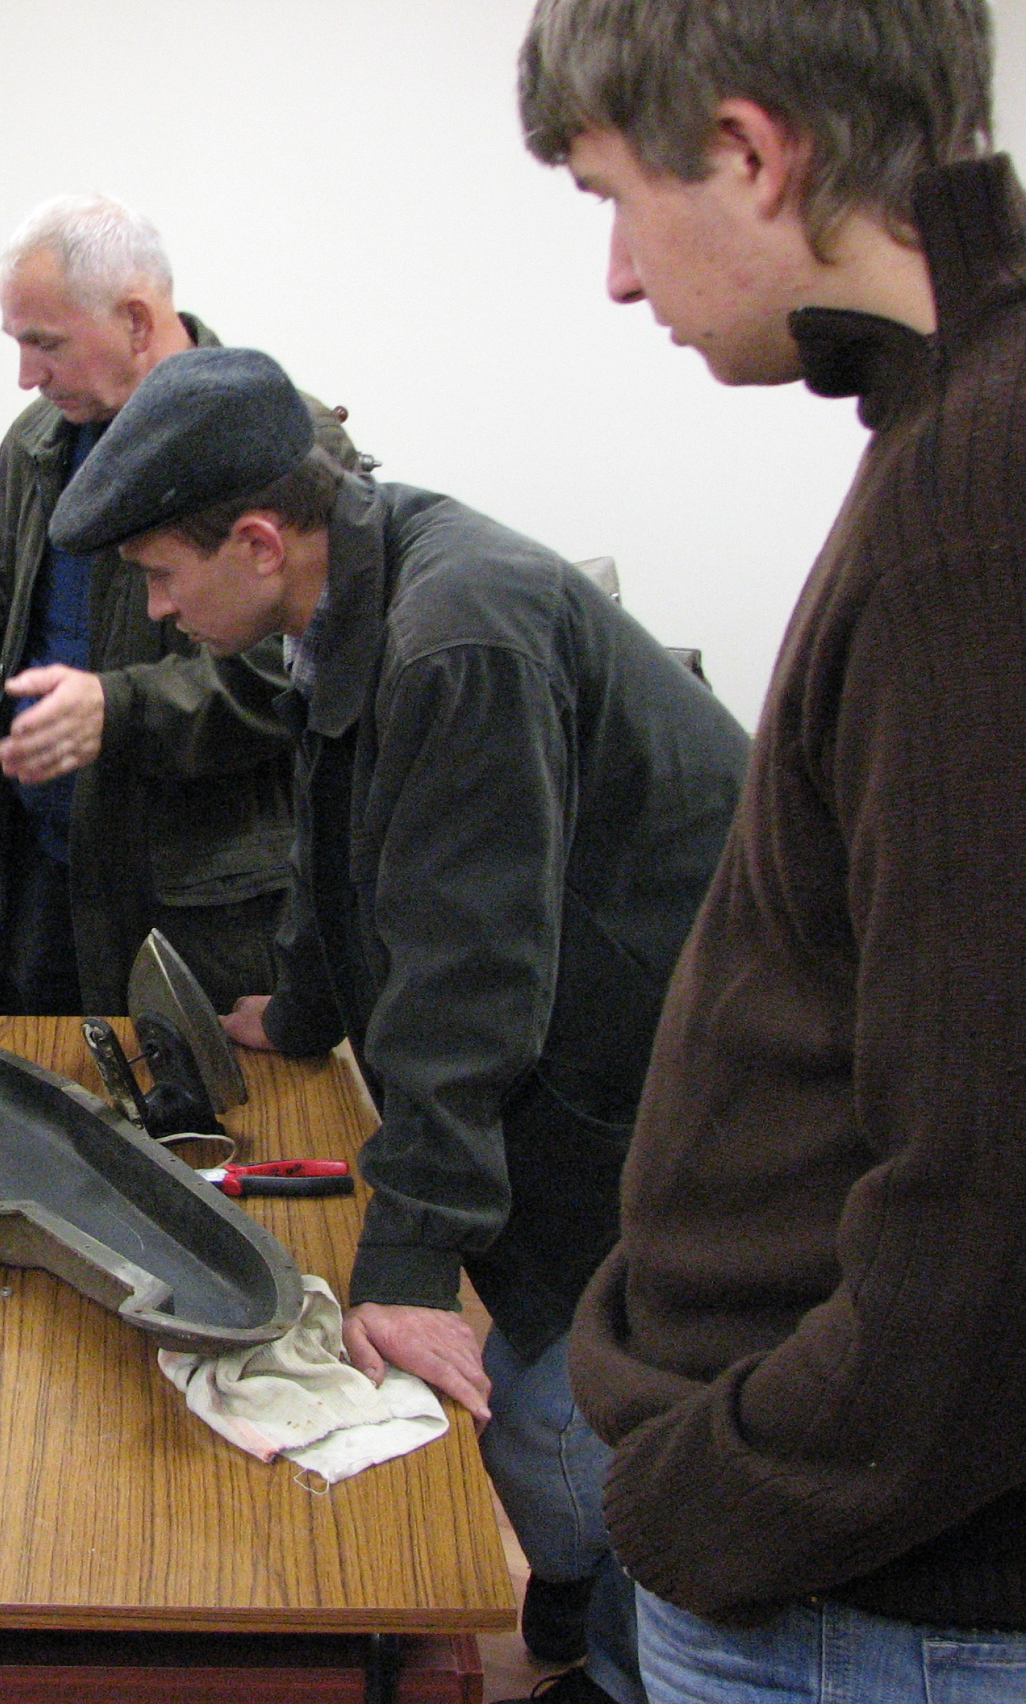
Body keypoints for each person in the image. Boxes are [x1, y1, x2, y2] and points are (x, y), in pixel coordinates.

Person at [53, 346, 750, 1704]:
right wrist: (307, 1005)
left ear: (257, 541)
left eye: (160, 576)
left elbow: (468, 970)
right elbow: (346, 836)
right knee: (553, 1409)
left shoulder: (457, 632)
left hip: (665, 1069)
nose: (158, 610)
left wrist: (411, 1265)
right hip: (582, 1031)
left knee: (573, 1423)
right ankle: (581, 1602)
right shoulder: (353, 585)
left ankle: (619, 1664)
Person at [522, 2, 1026, 1697]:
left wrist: (709, 1497)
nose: (614, 275)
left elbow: (989, 1192)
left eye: (612, 196)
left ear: (748, 152)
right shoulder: (949, 425)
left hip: (866, 1598)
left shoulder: (976, 505)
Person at [0, 193, 362, 1015]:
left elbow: (300, 669)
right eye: (18, 342)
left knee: (189, 1093)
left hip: (196, 899)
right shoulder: (40, 440)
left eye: (45, 343)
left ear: (136, 319)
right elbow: (7, 590)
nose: (26, 374)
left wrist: (117, 708)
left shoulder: (282, 440)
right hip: (40, 869)